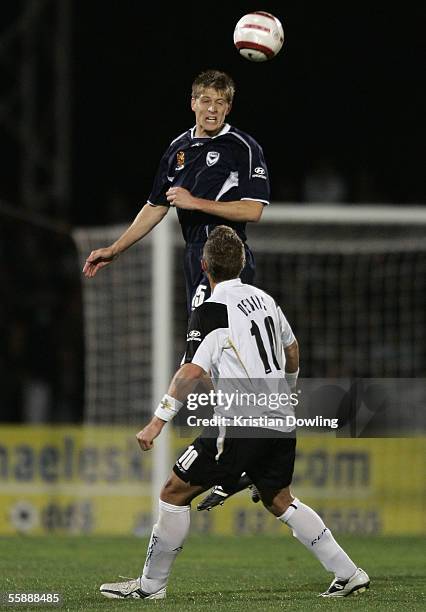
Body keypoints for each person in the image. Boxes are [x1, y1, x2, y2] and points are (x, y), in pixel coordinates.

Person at [99, 226, 370, 601]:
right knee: (280, 498)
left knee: (174, 491)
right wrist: (289, 388)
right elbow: (292, 348)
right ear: (242, 263)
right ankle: (348, 573)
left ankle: (150, 588)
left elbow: (191, 371)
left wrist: (157, 421)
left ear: (203, 264)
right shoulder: (265, 301)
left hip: (242, 422)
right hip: (279, 419)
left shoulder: (210, 310)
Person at [82, 69, 269, 313]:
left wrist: (196, 202)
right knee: (211, 340)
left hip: (228, 254)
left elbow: (253, 210)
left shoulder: (243, 147)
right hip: (194, 254)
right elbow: (156, 206)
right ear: (193, 103)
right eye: (206, 101)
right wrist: (115, 249)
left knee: (206, 335)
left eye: (220, 102)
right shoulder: (177, 149)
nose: (212, 109)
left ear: (228, 108)